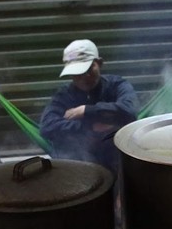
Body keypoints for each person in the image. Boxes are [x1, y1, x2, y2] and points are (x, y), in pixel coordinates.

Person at [39, 39, 139, 173]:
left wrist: (86, 110)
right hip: (78, 165)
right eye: (77, 73)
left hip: (116, 160)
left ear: (100, 63)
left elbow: (130, 111)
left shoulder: (117, 85)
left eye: (88, 69)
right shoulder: (64, 95)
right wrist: (89, 127)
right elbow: (47, 126)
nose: (84, 77)